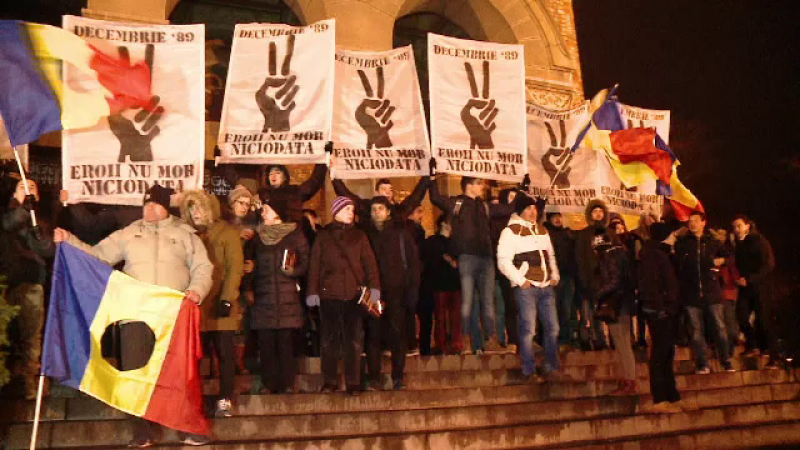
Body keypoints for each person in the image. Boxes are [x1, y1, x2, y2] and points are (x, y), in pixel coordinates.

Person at [54, 184, 214, 447]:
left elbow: (203, 267)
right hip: (135, 316)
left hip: (172, 316)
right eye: (146, 204)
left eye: (156, 204)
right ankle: (142, 431)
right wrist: (69, 240)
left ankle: (186, 428)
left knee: (179, 374)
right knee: (133, 374)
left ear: (167, 207)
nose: (150, 208)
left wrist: (196, 290)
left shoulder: (186, 235)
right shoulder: (128, 234)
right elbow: (97, 256)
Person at [429, 174, 513, 354]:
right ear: (468, 186)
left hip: (486, 258)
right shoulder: (457, 203)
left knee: (487, 301)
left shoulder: (484, 206)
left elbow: (509, 209)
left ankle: (489, 339)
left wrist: (524, 191)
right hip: (467, 258)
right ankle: (467, 341)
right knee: (467, 302)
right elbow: (435, 198)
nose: (482, 186)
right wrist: (432, 177)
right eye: (478, 183)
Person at [305, 196, 380, 395]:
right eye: (347, 209)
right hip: (329, 295)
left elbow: (370, 264)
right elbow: (315, 265)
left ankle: (354, 382)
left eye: (352, 210)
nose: (351, 213)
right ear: (336, 211)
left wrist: (375, 290)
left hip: (354, 295)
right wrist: (312, 291)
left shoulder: (360, 236)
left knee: (354, 341)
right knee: (329, 341)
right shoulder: (324, 236)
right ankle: (329, 381)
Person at [180, 190, 244, 417]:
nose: (195, 213)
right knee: (196, 356)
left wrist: (227, 299)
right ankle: (197, 402)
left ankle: (225, 398)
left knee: (225, 354)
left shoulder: (227, 233)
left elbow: (235, 267)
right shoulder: (186, 234)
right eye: (191, 208)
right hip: (197, 305)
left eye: (199, 207)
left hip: (220, 303)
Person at [245, 194, 310, 394]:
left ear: (277, 213)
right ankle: (268, 384)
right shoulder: (257, 237)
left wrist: (295, 271)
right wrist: (249, 285)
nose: (262, 211)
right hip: (263, 297)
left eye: (267, 208)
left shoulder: (294, 234)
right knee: (266, 343)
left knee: (285, 343)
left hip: (286, 297)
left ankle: (287, 383)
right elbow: (250, 264)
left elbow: (306, 261)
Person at [497, 194, 566, 382]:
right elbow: (503, 261)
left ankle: (551, 366)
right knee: (528, 330)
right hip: (527, 287)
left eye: (535, 208)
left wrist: (555, 275)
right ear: (520, 211)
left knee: (553, 328)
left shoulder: (542, 230)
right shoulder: (510, 232)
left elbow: (550, 256)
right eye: (528, 208)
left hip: (546, 286)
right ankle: (529, 369)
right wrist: (520, 280)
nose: (533, 212)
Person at [1, 179, 55, 399]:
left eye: (32, 187)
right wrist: (23, 209)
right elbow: (8, 223)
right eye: (23, 187)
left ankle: (29, 382)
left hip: (31, 283)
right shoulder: (7, 213)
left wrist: (38, 235)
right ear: (14, 193)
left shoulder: (41, 220)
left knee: (31, 336)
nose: (28, 190)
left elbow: (47, 249)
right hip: (5, 283)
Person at [362, 196, 419, 390]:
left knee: (397, 334)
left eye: (380, 208)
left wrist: (412, 290)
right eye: (373, 209)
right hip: (373, 293)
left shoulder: (400, 233)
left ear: (388, 212)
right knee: (373, 335)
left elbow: (413, 263)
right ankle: (374, 377)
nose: (377, 212)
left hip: (397, 292)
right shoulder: (365, 235)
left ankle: (398, 376)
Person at [674, 211, 733, 374]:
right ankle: (703, 363)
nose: (692, 224)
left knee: (720, 328)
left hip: (712, 292)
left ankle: (726, 360)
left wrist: (722, 261)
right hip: (691, 294)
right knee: (696, 332)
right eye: (690, 221)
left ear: (703, 223)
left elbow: (730, 257)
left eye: (695, 221)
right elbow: (677, 263)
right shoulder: (683, 243)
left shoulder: (712, 242)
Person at [638, 223, 682, 413]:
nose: (674, 238)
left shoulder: (662, 254)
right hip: (659, 312)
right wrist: (660, 308)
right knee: (660, 354)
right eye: (672, 234)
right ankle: (660, 398)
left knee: (667, 353)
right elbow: (649, 285)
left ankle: (672, 396)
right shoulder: (651, 255)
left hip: (667, 310)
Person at [593, 225, 637, 395]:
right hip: (623, 303)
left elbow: (615, 280)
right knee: (622, 343)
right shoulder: (621, 253)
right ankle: (627, 379)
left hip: (617, 304)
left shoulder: (611, 256)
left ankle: (629, 381)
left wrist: (599, 293)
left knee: (622, 344)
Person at [732, 215, 777, 366]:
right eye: (734, 227)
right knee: (741, 315)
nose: (736, 230)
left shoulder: (759, 241)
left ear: (747, 226)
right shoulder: (739, 244)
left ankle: (773, 356)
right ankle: (752, 344)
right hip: (745, 287)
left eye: (739, 226)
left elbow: (768, 264)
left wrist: (750, 278)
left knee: (763, 320)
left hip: (760, 287)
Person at [422, 215, 462, 354]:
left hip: (455, 284)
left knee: (455, 317)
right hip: (438, 284)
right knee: (440, 317)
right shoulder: (432, 241)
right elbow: (430, 261)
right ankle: (441, 344)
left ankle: (456, 345)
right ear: (444, 224)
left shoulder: (455, 242)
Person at [575, 200, 612, 350]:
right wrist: (584, 279)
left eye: (600, 211)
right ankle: (590, 339)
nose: (598, 214)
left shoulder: (609, 234)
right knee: (589, 313)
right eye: (595, 211)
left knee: (604, 312)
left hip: (606, 281)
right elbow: (580, 257)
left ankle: (604, 340)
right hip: (589, 280)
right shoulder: (584, 234)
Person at [545, 212, 579, 348]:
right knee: (554, 307)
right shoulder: (546, 234)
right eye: (554, 217)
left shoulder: (568, 234)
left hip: (567, 275)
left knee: (567, 307)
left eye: (559, 217)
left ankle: (567, 336)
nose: (558, 220)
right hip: (553, 276)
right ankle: (554, 337)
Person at [332, 176, 431, 222]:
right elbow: (347, 195)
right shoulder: (366, 208)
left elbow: (414, 199)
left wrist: (427, 176)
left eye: (390, 189)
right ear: (376, 192)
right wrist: (334, 176)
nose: (388, 192)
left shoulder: (397, 211)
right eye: (384, 189)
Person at [258, 162, 327, 223]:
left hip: (290, 232)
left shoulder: (293, 191)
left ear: (285, 177)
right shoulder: (262, 195)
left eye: (277, 172)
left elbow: (313, 183)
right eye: (270, 174)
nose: (273, 176)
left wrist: (322, 162)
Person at [714, 229, 741, 356]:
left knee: (730, 323)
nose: (719, 236)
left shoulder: (729, 254)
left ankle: (730, 347)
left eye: (722, 234)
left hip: (729, 293)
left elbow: (735, 272)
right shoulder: (711, 251)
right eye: (717, 234)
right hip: (717, 294)